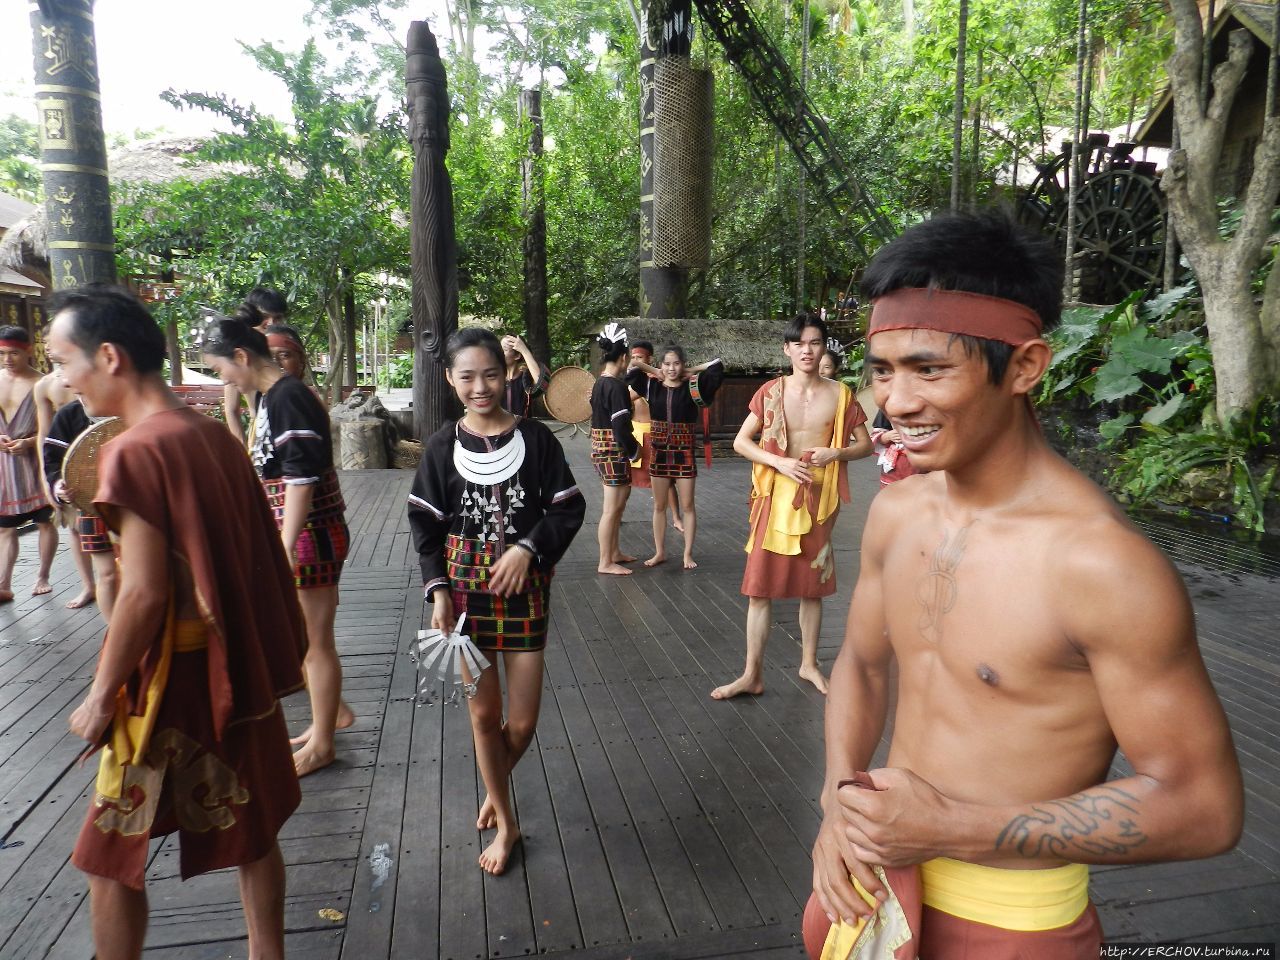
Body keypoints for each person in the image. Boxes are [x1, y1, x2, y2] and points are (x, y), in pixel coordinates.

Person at [806, 212, 1243, 960]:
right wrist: (838, 803)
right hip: (864, 888)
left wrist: (949, 829)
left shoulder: (1099, 564)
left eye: (929, 369)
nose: (895, 403)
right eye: (882, 370)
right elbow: (864, 664)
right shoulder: (898, 509)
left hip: (1011, 922)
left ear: (1026, 367)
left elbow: (1203, 806)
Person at [46, 284, 305, 960]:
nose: (61, 378)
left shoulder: (136, 451)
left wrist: (101, 694)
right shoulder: (210, 435)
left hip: (170, 685)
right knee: (255, 832)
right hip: (234, 668)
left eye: (64, 359)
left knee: (107, 856)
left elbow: (143, 596)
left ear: (108, 356)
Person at [407, 328, 585, 875]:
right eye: (467, 377)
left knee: (523, 723)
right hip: (461, 599)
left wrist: (528, 548)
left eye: (490, 374)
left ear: (506, 375)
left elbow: (567, 508)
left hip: (525, 591)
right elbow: (425, 526)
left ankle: (494, 784)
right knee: (484, 717)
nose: (480, 387)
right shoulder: (440, 447)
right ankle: (507, 823)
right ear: (450, 380)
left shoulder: (537, 440)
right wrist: (438, 591)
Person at [201, 313, 352, 777]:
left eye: (220, 367)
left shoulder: (288, 397)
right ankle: (327, 719)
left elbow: (303, 478)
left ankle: (324, 740)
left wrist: (284, 545)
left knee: (315, 642)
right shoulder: (273, 396)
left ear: (242, 357)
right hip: (301, 532)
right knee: (305, 638)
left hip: (310, 534)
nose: (221, 378)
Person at [712, 315, 871, 700]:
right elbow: (741, 442)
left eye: (814, 343)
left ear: (823, 348)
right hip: (774, 498)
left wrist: (838, 451)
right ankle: (752, 673)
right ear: (787, 349)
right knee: (759, 589)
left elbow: (865, 445)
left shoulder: (842, 395)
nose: (806, 350)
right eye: (798, 344)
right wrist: (780, 462)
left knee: (812, 588)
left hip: (818, 501)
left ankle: (809, 664)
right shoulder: (770, 391)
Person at [627, 344, 723, 569]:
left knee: (688, 505)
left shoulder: (693, 387)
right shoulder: (652, 386)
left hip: (683, 453)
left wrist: (692, 371)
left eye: (676, 363)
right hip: (659, 451)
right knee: (659, 506)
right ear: (661, 365)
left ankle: (687, 554)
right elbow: (632, 368)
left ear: (683, 365)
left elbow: (717, 366)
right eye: (667, 364)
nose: (672, 368)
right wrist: (653, 369)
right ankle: (660, 552)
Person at [42, 397, 119, 618]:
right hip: (90, 504)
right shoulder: (70, 413)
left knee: (139, 572)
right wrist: (59, 485)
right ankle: (115, 635)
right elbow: (53, 460)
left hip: (133, 505)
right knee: (107, 575)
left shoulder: (128, 403)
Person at [0, 326, 57, 601]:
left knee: (46, 522)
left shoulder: (41, 383)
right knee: (5, 526)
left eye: (13, 353)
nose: (7, 359)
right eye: (2, 353)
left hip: (35, 462)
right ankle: (4, 583)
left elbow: (56, 429)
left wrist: (29, 441)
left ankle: (43, 575)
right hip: (4, 467)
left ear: (28, 351)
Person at [35, 368, 97, 607]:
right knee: (75, 529)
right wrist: (56, 484)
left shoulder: (124, 407)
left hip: (119, 498)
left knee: (113, 571)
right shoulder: (67, 412)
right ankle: (89, 586)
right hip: (76, 490)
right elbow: (51, 453)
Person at [590, 323, 640, 576]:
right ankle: (604, 561)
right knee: (611, 509)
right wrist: (635, 450)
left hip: (602, 450)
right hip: (613, 452)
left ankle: (614, 552)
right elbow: (620, 427)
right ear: (623, 357)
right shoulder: (616, 387)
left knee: (618, 505)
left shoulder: (600, 383)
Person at [625, 340, 682, 530]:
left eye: (639, 357)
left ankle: (676, 518)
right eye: (632, 357)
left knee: (667, 480)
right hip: (633, 433)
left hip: (654, 435)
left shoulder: (655, 380)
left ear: (649, 358)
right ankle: (617, 514)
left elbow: (628, 395)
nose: (635, 360)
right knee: (626, 478)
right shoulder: (630, 379)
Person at [222, 287, 287, 441]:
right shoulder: (240, 354)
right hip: (259, 432)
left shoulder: (287, 349)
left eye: (277, 318)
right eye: (264, 316)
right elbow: (231, 409)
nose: (271, 323)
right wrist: (243, 453)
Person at [501, 333, 548, 419]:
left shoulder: (526, 378)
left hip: (524, 430)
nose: (499, 353)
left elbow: (542, 384)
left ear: (517, 356)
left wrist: (524, 351)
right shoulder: (495, 378)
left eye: (504, 349)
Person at [868, 409, 917, 487]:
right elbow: (877, 436)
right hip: (896, 466)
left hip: (922, 469)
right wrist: (887, 436)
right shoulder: (888, 406)